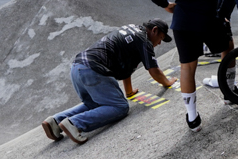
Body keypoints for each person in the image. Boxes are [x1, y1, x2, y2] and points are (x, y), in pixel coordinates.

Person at [143, 0, 236, 132]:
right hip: (210, 20)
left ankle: (192, 118)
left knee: (187, 67)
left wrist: (165, 4)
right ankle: (229, 92)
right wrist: (223, 15)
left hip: (183, 22)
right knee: (228, 49)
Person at [42, 20, 178, 144]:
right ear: (154, 30)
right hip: (94, 69)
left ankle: (55, 121)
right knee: (120, 107)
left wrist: (129, 92)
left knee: (95, 104)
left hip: (77, 67)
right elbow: (154, 70)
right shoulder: (144, 40)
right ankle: (75, 123)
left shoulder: (131, 30)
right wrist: (167, 82)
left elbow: (127, 69)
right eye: (160, 38)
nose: (159, 43)